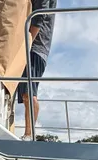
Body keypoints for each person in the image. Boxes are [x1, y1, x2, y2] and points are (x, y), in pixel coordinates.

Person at [18, 0, 57, 141]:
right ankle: (28, 134)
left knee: (28, 93)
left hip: (35, 48)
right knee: (26, 93)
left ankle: (29, 135)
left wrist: (27, 44)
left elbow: (39, 15)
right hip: (36, 48)